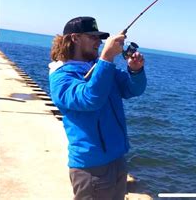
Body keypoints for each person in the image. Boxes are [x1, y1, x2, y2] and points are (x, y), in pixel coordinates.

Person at [49, 16, 147, 199]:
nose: (99, 42)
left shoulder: (100, 67)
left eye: (100, 38)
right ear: (75, 38)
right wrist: (107, 58)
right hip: (91, 169)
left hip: (117, 160)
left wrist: (135, 70)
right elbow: (89, 99)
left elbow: (132, 89)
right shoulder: (60, 77)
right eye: (93, 37)